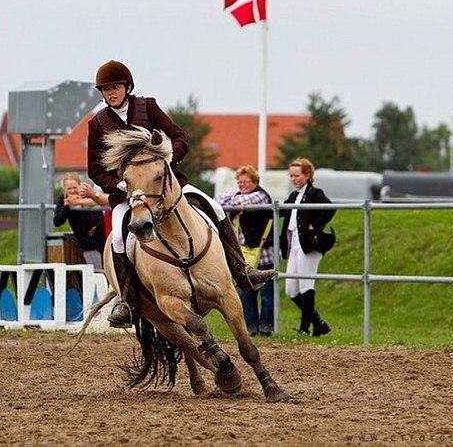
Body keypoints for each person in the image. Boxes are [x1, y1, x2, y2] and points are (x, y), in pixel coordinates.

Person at [87, 60, 276, 328]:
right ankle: (127, 302)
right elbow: (94, 169)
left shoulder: (147, 106)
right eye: (106, 90)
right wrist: (119, 184)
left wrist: (167, 159)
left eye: (115, 87)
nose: (111, 93)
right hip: (128, 195)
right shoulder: (98, 123)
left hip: (166, 184)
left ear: (127, 87)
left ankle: (242, 270)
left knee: (215, 207)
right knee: (118, 236)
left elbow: (179, 136)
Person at [279, 157, 335, 337]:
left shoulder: (314, 193)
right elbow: (283, 211)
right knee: (291, 290)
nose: (293, 179)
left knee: (306, 286)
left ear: (307, 175)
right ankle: (318, 322)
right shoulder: (294, 196)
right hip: (293, 245)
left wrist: (315, 225)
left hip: (308, 246)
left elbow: (330, 208)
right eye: (291, 176)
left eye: (297, 175)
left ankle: (305, 328)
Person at [216, 165, 275, 336]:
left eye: (246, 182)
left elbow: (249, 201)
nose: (242, 185)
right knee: (246, 292)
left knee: (266, 294)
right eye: (239, 182)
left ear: (255, 182)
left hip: (264, 253)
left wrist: (237, 202)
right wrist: (237, 201)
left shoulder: (262, 195)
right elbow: (218, 200)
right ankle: (251, 327)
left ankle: (266, 327)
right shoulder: (239, 195)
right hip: (245, 254)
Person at [53, 172, 106, 270]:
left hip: (101, 236)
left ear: (79, 186)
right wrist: (67, 206)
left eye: (75, 187)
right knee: (97, 271)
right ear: (64, 190)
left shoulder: (87, 195)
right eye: (69, 189)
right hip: (87, 244)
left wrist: (78, 201)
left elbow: (96, 202)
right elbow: (57, 221)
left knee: (107, 270)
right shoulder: (63, 200)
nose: (73, 191)